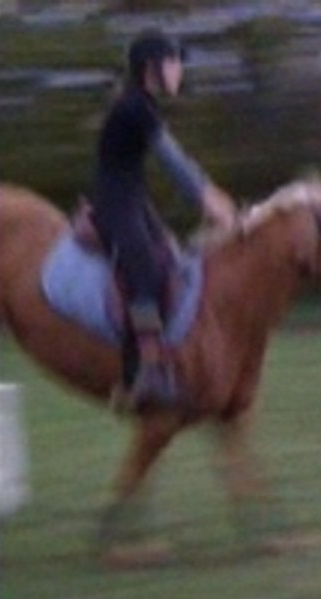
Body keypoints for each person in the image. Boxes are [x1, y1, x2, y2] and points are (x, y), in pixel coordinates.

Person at [90, 28, 236, 410]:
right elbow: (171, 160)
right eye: (173, 62)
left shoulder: (144, 106)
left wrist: (208, 191)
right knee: (144, 267)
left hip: (134, 200)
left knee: (170, 259)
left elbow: (177, 158)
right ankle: (147, 370)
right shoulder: (134, 106)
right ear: (150, 67)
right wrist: (206, 197)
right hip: (114, 201)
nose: (179, 71)